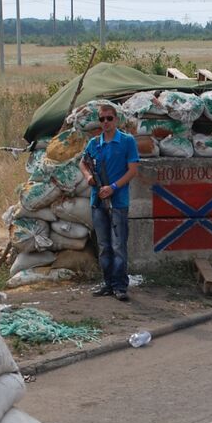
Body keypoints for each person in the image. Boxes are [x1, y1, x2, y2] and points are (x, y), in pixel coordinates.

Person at [80, 103, 140, 301]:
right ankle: (107, 283)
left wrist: (113, 187)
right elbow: (83, 162)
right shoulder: (94, 144)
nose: (105, 122)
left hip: (118, 202)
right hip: (98, 202)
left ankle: (120, 286)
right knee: (104, 245)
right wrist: (89, 177)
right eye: (102, 119)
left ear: (116, 120)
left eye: (109, 118)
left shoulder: (126, 141)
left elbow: (132, 170)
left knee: (118, 246)